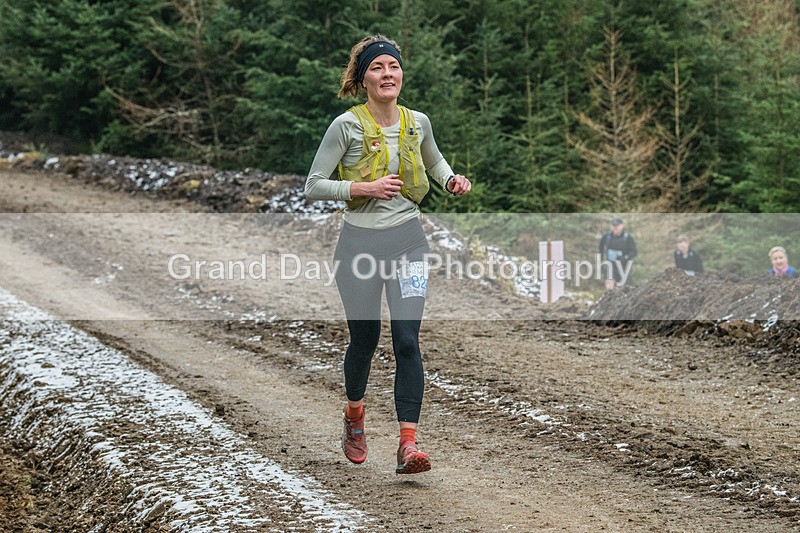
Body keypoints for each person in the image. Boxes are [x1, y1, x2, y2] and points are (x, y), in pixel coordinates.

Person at [305, 35, 471, 475]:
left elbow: (434, 162)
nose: (387, 75)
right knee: (365, 340)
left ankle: (408, 444)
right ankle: (355, 415)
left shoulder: (418, 122)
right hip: (358, 247)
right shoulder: (346, 125)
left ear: (402, 74)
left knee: (407, 340)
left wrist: (451, 179)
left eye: (393, 67)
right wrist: (364, 188)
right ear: (363, 79)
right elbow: (314, 184)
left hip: (408, 243)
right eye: (377, 68)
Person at [599, 217, 637, 290]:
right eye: (613, 226)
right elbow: (601, 250)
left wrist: (625, 257)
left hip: (623, 266)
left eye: (617, 226)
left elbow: (634, 252)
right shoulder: (606, 236)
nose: (615, 228)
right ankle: (608, 297)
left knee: (621, 287)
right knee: (609, 285)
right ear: (611, 226)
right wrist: (601, 263)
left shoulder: (627, 237)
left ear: (622, 226)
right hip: (610, 264)